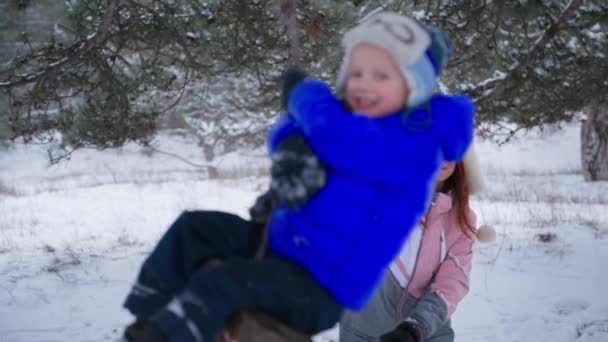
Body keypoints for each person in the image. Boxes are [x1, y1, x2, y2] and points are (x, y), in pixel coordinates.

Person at [120, 12, 475, 342]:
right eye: (357, 72)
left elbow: (335, 136)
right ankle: (145, 320)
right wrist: (292, 143)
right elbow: (291, 130)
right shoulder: (349, 123)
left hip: (320, 286)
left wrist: (303, 95)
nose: (364, 84)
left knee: (221, 283)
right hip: (284, 247)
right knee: (194, 229)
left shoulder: (416, 147)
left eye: (382, 75)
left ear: (413, 90)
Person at [340, 152, 494, 342]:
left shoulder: (462, 220)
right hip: (363, 332)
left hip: (427, 335)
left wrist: (415, 328)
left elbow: (451, 284)